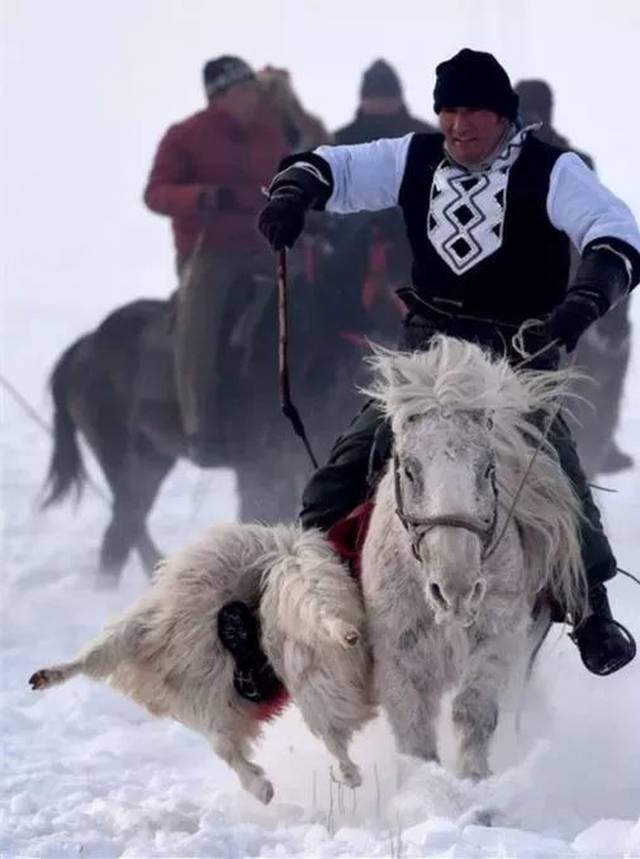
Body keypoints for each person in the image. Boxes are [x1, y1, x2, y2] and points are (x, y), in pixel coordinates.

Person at [220, 48, 640, 701]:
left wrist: (582, 302)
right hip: (426, 362)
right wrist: (294, 191)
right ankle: (296, 619)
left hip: (516, 363)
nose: (456, 124)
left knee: (557, 480)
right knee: (336, 479)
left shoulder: (552, 170)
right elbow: (336, 168)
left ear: (502, 114)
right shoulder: (415, 157)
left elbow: (614, 230)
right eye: (446, 109)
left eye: (471, 110)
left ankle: (593, 614)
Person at [143, 56, 324, 465]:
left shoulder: (270, 131)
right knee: (199, 321)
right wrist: (202, 197)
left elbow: (305, 151)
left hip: (263, 245)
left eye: (254, 91)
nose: (252, 99)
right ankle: (198, 425)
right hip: (210, 252)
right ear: (219, 96)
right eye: (244, 92)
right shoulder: (185, 136)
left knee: (316, 295)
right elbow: (156, 194)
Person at [515, 78, 634, 477]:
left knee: (610, 352)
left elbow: (598, 234)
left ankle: (596, 442)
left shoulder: (562, 160)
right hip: (555, 296)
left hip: (561, 295)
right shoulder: (572, 160)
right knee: (609, 355)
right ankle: (598, 441)